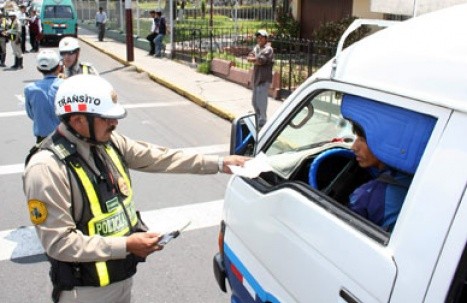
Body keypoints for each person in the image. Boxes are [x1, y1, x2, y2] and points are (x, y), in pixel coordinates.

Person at [22, 74, 248, 303]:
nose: (115, 123)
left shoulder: (106, 142)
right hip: (86, 292)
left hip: (121, 276)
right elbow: (59, 243)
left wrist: (219, 163)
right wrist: (127, 245)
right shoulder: (46, 168)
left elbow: (159, 157)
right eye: (106, 118)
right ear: (79, 121)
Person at [348, 122, 412, 231]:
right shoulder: (413, 173)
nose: (353, 147)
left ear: (387, 145)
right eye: (356, 138)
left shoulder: (364, 196)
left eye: (363, 140)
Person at [24, 50, 62, 143]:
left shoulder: (30, 89)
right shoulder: (66, 86)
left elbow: (31, 114)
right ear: (59, 67)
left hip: (43, 140)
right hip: (64, 137)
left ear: (38, 68)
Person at [247, 30, 274, 128]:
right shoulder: (257, 48)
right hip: (256, 79)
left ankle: (263, 123)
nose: (259, 39)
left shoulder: (268, 49)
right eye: (258, 37)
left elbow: (260, 61)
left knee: (261, 103)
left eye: (262, 37)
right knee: (254, 102)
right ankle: (258, 120)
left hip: (263, 79)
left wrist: (254, 59)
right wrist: (253, 58)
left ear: (266, 38)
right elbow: (250, 56)